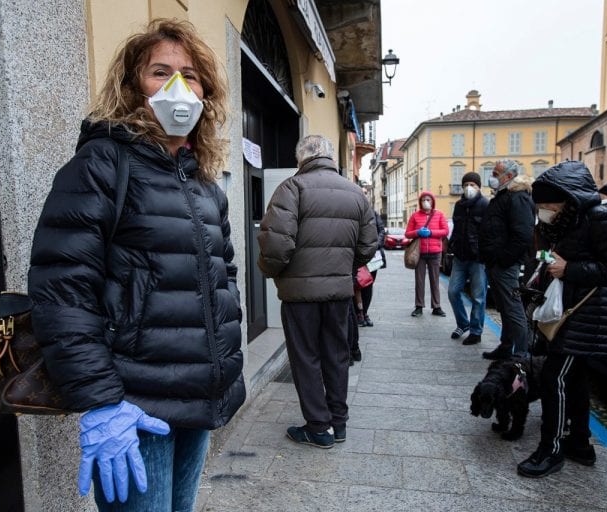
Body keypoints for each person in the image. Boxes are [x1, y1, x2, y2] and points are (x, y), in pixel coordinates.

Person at [28, 19, 245, 511]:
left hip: (198, 397)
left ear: (205, 92)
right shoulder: (102, 163)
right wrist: (101, 401)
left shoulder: (204, 181)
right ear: (133, 87)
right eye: (159, 71)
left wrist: (224, 366)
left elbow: (223, 274)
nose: (177, 86)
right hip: (134, 407)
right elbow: (63, 289)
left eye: (189, 75)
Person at [257, 134, 377, 449]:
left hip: (300, 296)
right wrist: (343, 267)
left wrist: (271, 273)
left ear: (302, 158)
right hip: (339, 293)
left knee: (305, 358)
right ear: (329, 157)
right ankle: (338, 423)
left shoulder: (291, 189)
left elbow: (276, 245)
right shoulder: (355, 192)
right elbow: (368, 246)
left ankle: (317, 426)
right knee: (337, 356)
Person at [517, 160, 607, 478]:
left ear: (569, 198)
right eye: (539, 204)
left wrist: (570, 269)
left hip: (585, 315)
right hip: (566, 312)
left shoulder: (601, 219)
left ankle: (551, 450)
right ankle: (580, 444)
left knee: (554, 379)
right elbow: (552, 259)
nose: (543, 209)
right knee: (576, 380)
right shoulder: (560, 223)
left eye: (548, 203)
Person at [478, 160, 535, 359]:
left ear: (508, 176)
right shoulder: (503, 196)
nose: (491, 177)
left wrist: (503, 259)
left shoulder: (517, 197)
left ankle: (521, 354)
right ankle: (506, 347)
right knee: (504, 307)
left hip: (505, 264)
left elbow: (523, 235)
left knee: (512, 308)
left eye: (495, 173)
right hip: (496, 262)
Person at [447, 171, 489, 345]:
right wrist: (451, 246)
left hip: (478, 258)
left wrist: (485, 252)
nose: (468, 188)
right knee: (453, 291)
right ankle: (463, 323)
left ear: (479, 187)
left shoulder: (486, 205)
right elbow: (456, 229)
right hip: (460, 256)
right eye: (465, 185)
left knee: (478, 297)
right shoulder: (458, 205)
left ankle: (476, 331)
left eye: (472, 185)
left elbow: (489, 232)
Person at [405, 191, 449, 317]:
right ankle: (419, 306)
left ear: (433, 201)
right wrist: (418, 232)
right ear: (420, 202)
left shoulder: (439, 215)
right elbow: (407, 233)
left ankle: (436, 307)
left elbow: (445, 231)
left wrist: (431, 233)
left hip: (435, 252)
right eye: (424, 199)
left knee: (435, 281)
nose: (426, 202)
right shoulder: (415, 216)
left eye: (428, 199)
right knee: (419, 281)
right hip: (420, 253)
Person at [357, 209, 386, 327]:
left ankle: (365, 313)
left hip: (372, 256)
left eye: (365, 193)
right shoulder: (353, 210)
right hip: (357, 254)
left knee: (368, 284)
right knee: (356, 285)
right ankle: (359, 314)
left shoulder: (373, 213)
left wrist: (374, 245)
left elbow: (381, 231)